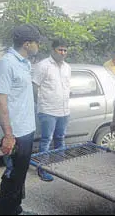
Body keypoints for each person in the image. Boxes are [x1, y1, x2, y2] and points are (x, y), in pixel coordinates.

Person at [0, 24, 41, 215]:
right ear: (27, 44)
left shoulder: (24, 63)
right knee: (12, 176)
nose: (38, 46)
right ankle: (6, 212)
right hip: (14, 133)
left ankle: (16, 210)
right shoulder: (6, 63)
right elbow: (0, 100)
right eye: (36, 43)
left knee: (20, 175)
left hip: (26, 130)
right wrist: (8, 135)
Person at [32, 39, 71, 182]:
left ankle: (59, 168)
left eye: (65, 50)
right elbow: (34, 87)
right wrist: (41, 104)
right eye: (60, 50)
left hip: (64, 110)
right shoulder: (43, 66)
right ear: (53, 50)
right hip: (48, 110)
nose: (63, 53)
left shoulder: (67, 67)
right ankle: (43, 169)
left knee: (60, 139)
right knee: (46, 140)